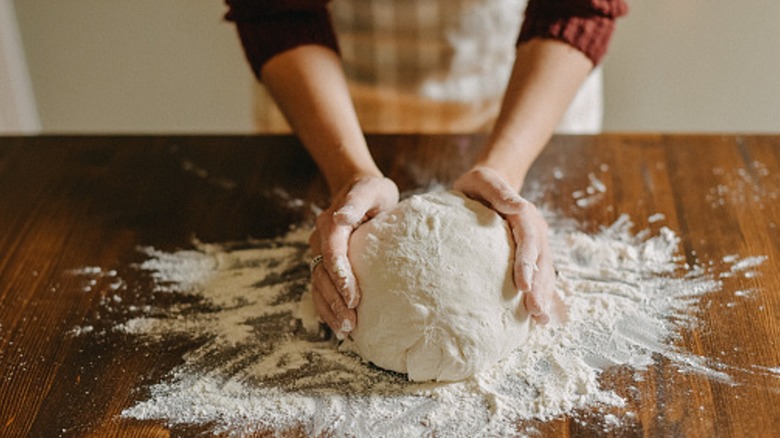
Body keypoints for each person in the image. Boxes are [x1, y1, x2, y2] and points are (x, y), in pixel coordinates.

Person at [224, 0, 628, 339]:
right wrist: (349, 174)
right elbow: (276, 8)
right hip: (322, 93)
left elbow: (579, 5)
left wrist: (504, 171)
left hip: (523, 83)